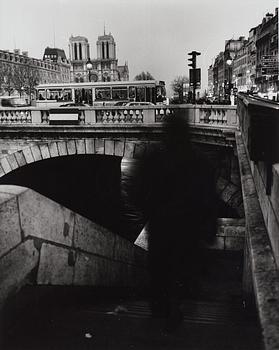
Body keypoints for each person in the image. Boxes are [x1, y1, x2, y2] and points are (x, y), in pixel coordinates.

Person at [132, 114, 218, 332]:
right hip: (188, 230)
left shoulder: (153, 157)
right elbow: (209, 198)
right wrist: (209, 228)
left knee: (160, 269)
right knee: (182, 270)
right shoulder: (200, 160)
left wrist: (147, 213)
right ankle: (174, 307)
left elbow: (136, 189)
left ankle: (159, 310)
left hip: (160, 227)